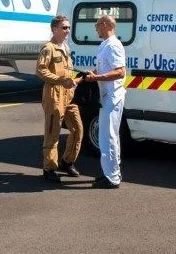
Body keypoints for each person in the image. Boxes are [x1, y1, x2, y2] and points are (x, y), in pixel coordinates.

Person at [36, 15, 83, 182]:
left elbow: (68, 71)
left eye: (68, 27)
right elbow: (40, 70)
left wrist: (76, 79)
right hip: (54, 95)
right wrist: (60, 80)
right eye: (64, 27)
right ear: (54, 29)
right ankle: (49, 169)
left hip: (68, 95)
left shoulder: (66, 48)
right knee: (53, 132)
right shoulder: (48, 48)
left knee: (77, 129)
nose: (67, 30)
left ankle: (67, 161)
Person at [84, 15, 126, 189]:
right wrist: (92, 73)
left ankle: (112, 178)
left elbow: (120, 72)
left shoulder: (113, 45)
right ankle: (111, 172)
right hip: (106, 97)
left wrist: (97, 77)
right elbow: (103, 68)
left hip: (112, 97)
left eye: (97, 25)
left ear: (105, 24)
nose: (96, 29)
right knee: (108, 136)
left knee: (108, 137)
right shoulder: (104, 45)